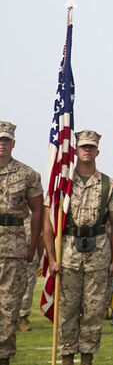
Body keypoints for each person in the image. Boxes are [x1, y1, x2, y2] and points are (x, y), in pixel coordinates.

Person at [43, 130, 113, 365]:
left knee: (94, 311)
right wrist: (53, 258)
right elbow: (48, 226)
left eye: (91, 147)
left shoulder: (109, 185)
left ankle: (87, 358)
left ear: (97, 151)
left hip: (99, 254)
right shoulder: (62, 184)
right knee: (67, 309)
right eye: (83, 146)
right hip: (68, 255)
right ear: (75, 150)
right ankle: (67, 357)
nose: (87, 150)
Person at [0, 121, 43, 365]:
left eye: (6, 140)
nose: (2, 143)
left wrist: (33, 244)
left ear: (13, 143)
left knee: (8, 306)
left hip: (13, 247)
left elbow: (38, 211)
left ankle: (4, 357)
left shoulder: (28, 175)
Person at [18, 214, 42, 332]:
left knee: (28, 284)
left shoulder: (33, 212)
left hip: (28, 250)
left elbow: (39, 233)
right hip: (6, 247)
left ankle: (23, 317)